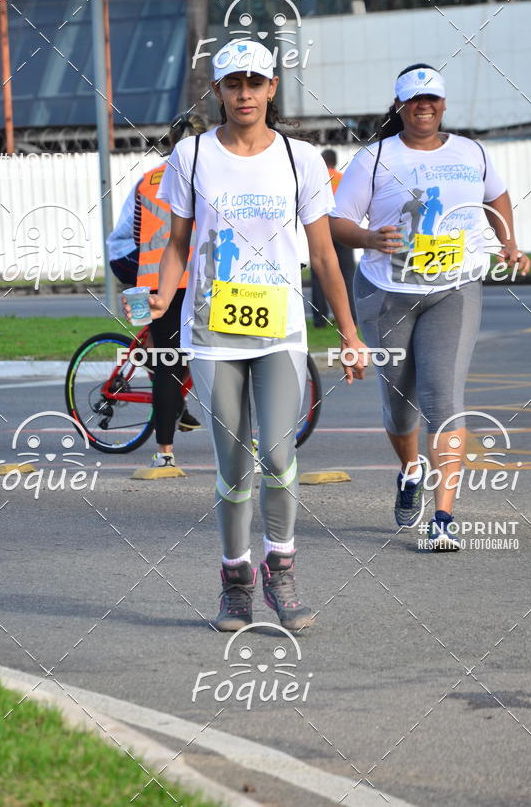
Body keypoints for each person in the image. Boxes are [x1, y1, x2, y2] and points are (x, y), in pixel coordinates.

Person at [142, 39, 366, 631]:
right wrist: (164, 292)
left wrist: (349, 332)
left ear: (272, 88)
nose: (245, 93)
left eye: (255, 82)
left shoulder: (301, 158)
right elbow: (178, 243)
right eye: (233, 83)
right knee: (233, 463)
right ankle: (235, 578)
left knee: (277, 452)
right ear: (218, 91)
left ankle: (282, 569)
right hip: (214, 330)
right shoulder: (191, 157)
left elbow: (323, 254)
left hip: (281, 330)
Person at [330, 63, 530, 550]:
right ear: (399, 107)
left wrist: (508, 242)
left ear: (443, 104)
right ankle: (410, 468)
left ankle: (443, 519)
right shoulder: (374, 159)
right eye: (414, 100)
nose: (424, 107)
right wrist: (370, 236)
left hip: (454, 288)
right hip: (385, 292)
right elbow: (336, 223)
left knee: (444, 400)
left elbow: (497, 194)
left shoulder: (472, 152)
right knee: (401, 407)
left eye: (432, 99)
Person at [108, 114, 206, 469]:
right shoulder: (203, 176)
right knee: (172, 365)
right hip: (184, 279)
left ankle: (166, 446)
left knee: (169, 360)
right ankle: (165, 446)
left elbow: (135, 232)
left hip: (150, 275)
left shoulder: (147, 180)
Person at [310, 149, 356, 327]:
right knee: (347, 275)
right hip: (342, 228)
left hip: (321, 229)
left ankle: (319, 320)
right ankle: (351, 317)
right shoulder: (343, 179)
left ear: (323, 162)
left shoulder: (318, 181)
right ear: (335, 161)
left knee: (319, 275)